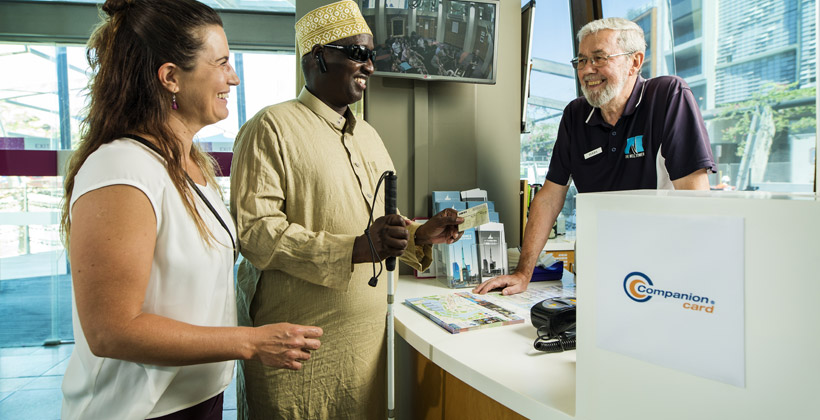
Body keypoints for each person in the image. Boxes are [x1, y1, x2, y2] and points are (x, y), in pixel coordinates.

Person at [60, 1, 322, 418]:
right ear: (170, 78)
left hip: (199, 400)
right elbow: (111, 330)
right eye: (220, 63)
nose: (232, 77)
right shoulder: (121, 168)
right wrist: (250, 342)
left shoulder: (194, 166)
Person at [229, 1, 463, 418]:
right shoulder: (270, 127)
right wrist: (353, 249)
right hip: (297, 351)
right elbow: (256, 233)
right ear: (317, 56)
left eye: (372, 55)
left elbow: (377, 232)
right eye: (358, 53)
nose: (371, 66)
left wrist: (418, 235)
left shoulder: (370, 136)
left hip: (363, 350)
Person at [474, 17, 716, 296]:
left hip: (661, 274)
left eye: (599, 58)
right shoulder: (575, 115)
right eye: (581, 60)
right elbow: (550, 197)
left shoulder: (667, 97)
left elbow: (695, 199)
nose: (587, 70)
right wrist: (522, 273)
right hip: (599, 271)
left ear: (635, 62)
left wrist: (692, 288)